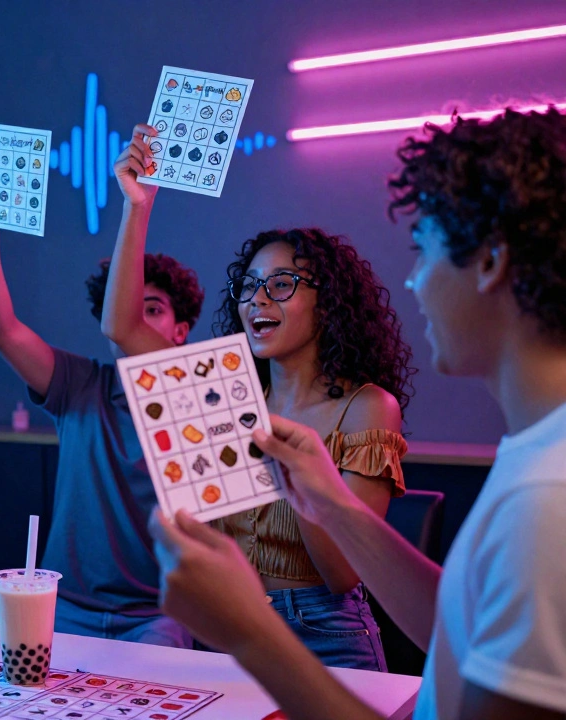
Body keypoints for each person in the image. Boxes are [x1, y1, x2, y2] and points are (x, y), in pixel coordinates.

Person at [152, 107, 566, 719]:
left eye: (423, 250)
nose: (416, 281)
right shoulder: (535, 461)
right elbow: (457, 628)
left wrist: (248, 633)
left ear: (490, 262)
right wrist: (332, 503)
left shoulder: (545, 497)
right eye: (250, 287)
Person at [107, 127, 415, 671]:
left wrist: (293, 471)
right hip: (231, 621)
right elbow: (122, 325)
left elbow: (342, 574)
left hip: (325, 631)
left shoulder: (368, 407)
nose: (257, 300)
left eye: (281, 284)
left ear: (329, 302)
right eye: (248, 285)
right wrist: (137, 206)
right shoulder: (228, 391)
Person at [0, 124, 205, 645]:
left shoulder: (199, 396)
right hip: (65, 607)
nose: (131, 319)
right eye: (123, 308)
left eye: (150, 310)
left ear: (181, 331)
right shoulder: (82, 385)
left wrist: (137, 205)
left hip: (158, 617)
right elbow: (1, 331)